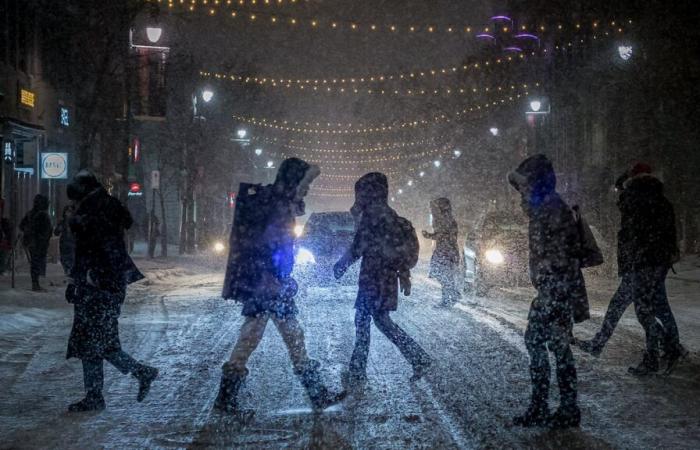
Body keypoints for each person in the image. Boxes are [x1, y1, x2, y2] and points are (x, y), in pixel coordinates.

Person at [219, 158, 345, 417]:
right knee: (265, 337)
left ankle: (227, 399)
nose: (308, 188)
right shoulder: (278, 206)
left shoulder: (280, 203)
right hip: (269, 285)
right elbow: (271, 245)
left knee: (275, 336)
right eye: (306, 183)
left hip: (269, 284)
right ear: (294, 181)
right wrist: (276, 275)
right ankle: (226, 400)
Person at [576, 163, 685, 375]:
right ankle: (669, 348)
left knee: (644, 310)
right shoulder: (661, 200)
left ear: (633, 180)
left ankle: (658, 355)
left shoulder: (634, 197)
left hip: (640, 265)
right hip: (655, 263)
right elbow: (670, 234)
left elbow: (622, 200)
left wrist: (624, 177)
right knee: (654, 307)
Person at [65, 170, 158, 412]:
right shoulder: (103, 207)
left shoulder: (92, 213)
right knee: (95, 341)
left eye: (73, 201)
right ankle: (99, 392)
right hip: (106, 283)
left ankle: (136, 374)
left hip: (99, 286)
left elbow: (91, 251)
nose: (72, 205)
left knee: (96, 341)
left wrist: (86, 278)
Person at [508, 154, 588, 429]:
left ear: (536, 182)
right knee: (553, 345)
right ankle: (559, 407)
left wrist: (554, 288)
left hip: (556, 289)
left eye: (525, 185)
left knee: (546, 343)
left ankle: (554, 407)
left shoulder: (551, 209)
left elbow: (562, 253)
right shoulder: (546, 208)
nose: (522, 192)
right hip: (554, 288)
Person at [334, 172, 432, 387]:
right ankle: (417, 358)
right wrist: (403, 272)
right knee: (380, 321)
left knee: (365, 321)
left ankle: (358, 371)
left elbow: (359, 246)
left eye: (360, 193)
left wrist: (341, 264)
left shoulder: (372, 217)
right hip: (386, 277)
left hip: (373, 276)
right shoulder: (389, 215)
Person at [423, 198, 461, 307]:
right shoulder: (447, 219)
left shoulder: (445, 219)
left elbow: (444, 235)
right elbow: (445, 234)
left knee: (443, 274)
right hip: (447, 250)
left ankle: (449, 297)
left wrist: (430, 236)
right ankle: (451, 295)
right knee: (444, 274)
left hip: (446, 251)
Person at [19, 194, 53, 291]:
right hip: (38, 242)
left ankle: (36, 283)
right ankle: (35, 284)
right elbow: (46, 229)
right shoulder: (42, 215)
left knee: (35, 263)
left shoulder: (30, 213)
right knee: (36, 263)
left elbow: (21, 225)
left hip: (32, 242)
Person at [54, 205, 76, 276]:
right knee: (63, 258)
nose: (68, 213)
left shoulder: (74, 221)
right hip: (64, 243)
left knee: (72, 258)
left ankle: (70, 271)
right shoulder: (62, 222)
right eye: (67, 211)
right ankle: (67, 270)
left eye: (70, 211)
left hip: (72, 243)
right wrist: (59, 229)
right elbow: (56, 232)